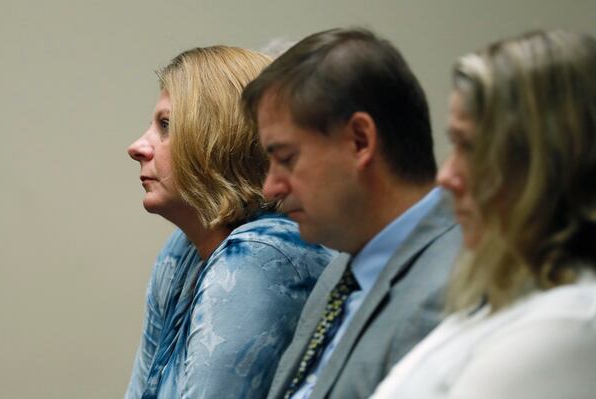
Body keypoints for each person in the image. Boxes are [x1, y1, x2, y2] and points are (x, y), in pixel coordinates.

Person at [372, 29, 596, 398]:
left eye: (471, 148)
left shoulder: (568, 325)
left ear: (549, 164)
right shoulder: (508, 297)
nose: (446, 176)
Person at [241, 28, 461, 399]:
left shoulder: (462, 285)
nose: (270, 188)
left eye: (286, 159)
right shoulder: (343, 270)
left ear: (360, 141)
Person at [125, 46, 334, 399]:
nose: (137, 147)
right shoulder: (184, 248)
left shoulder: (259, 255)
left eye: (166, 125)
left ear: (220, 140)